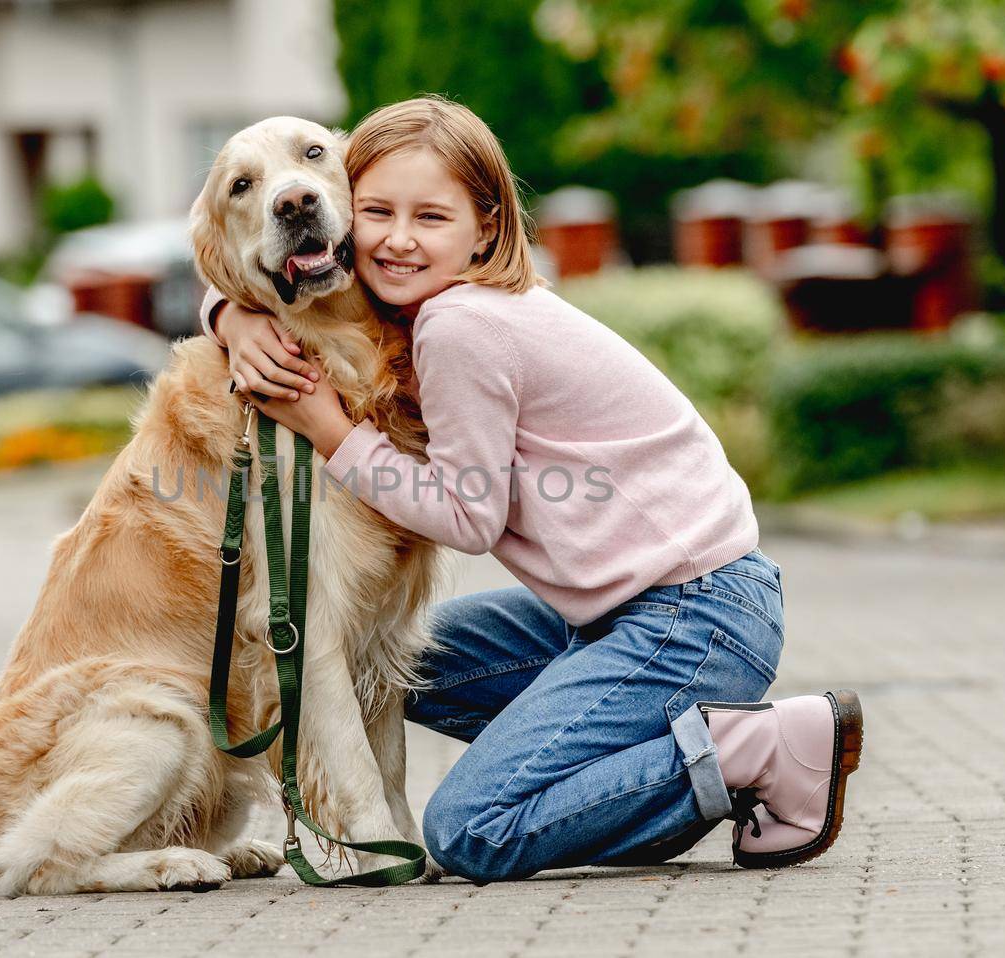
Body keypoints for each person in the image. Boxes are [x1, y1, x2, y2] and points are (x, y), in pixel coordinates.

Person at [201, 96, 862, 883]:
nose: (400, 239)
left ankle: (752, 751)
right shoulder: (430, 299)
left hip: (694, 615)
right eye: (378, 211)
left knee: (474, 828)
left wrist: (331, 432)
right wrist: (228, 317)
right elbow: (252, 262)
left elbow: (466, 518)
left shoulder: (458, 327)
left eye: (431, 218)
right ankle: (628, 758)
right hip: (640, 610)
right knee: (400, 659)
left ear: (485, 227)